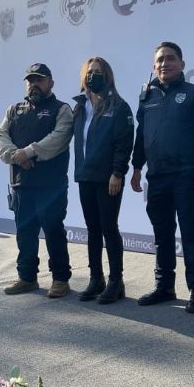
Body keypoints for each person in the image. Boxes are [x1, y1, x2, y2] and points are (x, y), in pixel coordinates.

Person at [131, 42, 194, 313]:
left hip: (186, 176)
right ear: (154, 66)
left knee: (190, 234)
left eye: (170, 59)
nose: (164, 63)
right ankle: (164, 287)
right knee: (162, 234)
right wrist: (136, 167)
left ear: (182, 64)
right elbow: (141, 135)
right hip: (156, 177)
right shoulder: (147, 96)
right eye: (160, 60)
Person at [0, 63, 74, 298]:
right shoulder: (14, 110)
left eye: (39, 80)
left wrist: (29, 152)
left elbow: (59, 138)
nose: (34, 84)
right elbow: (1, 136)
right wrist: (16, 157)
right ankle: (27, 278)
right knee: (25, 232)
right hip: (21, 183)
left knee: (53, 231)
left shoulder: (61, 109)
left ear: (51, 83)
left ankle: (60, 279)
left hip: (51, 184)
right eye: (30, 81)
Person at [72, 57, 134, 304]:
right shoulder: (78, 107)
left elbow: (124, 142)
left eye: (97, 72)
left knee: (109, 228)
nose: (92, 76)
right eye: (89, 72)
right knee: (93, 230)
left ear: (107, 76)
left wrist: (118, 172)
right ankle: (95, 278)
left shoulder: (118, 106)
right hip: (85, 176)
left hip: (109, 178)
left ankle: (116, 282)